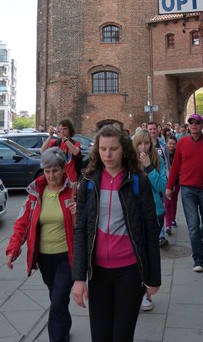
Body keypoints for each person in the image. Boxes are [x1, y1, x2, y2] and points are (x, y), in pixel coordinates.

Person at [72, 124, 161, 342]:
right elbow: (81, 229)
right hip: (98, 273)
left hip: (129, 271)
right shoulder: (89, 181)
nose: (108, 154)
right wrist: (78, 278)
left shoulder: (137, 181)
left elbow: (151, 229)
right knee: (100, 336)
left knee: (122, 335)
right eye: (103, 149)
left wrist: (153, 278)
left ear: (124, 150)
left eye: (113, 149)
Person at [5, 148, 77, 342]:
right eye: (47, 171)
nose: (51, 176)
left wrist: (78, 213)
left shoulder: (73, 192)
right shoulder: (35, 193)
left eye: (55, 170)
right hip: (45, 258)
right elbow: (22, 223)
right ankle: (65, 325)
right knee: (56, 297)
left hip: (67, 257)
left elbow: (85, 224)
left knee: (58, 300)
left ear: (63, 169)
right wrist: (13, 249)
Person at [166, 113, 203, 273]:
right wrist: (169, 187)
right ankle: (198, 258)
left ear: (202, 125)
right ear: (188, 126)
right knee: (193, 225)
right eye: (191, 122)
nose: (193, 125)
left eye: (197, 122)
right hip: (187, 189)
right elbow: (175, 166)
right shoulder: (182, 143)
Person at [132, 127, 167, 312]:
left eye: (146, 143)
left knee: (148, 254)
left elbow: (161, 186)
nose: (143, 147)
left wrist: (148, 166)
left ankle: (147, 294)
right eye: (140, 143)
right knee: (135, 254)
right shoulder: (129, 163)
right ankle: (135, 291)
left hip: (154, 213)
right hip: (134, 214)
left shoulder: (157, 160)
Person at [147, 121, 169, 245]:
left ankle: (161, 235)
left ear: (158, 130)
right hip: (149, 180)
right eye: (150, 129)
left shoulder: (163, 145)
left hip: (160, 178)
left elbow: (167, 162)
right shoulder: (142, 146)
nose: (152, 131)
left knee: (161, 205)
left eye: (154, 129)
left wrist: (168, 178)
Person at [40, 118, 82, 182]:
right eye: (61, 129)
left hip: (71, 178)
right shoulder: (55, 142)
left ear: (70, 130)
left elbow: (76, 152)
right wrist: (50, 136)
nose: (62, 131)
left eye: (65, 129)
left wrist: (64, 138)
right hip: (59, 178)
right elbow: (42, 151)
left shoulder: (75, 143)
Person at [164, 134, 179, 234]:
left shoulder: (178, 154)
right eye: (170, 144)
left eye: (173, 144)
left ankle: (173, 219)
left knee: (174, 201)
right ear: (166, 143)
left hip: (177, 181)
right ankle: (168, 224)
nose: (171, 146)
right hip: (166, 180)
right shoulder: (164, 154)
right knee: (167, 203)